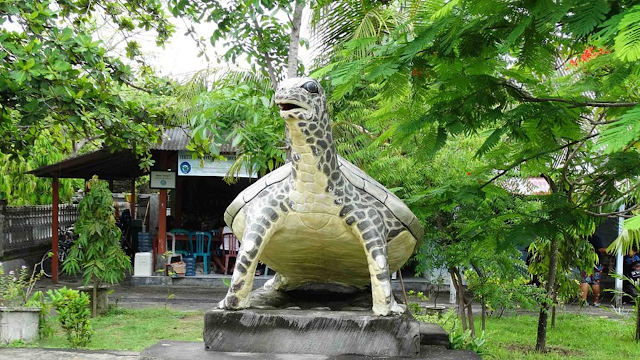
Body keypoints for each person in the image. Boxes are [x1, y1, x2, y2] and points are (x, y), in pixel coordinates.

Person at [580, 234, 607, 307]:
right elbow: (600, 249)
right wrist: (610, 249)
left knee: (584, 281)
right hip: (596, 262)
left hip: (584, 262)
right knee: (595, 282)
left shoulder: (581, 238)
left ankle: (583, 301)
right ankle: (596, 302)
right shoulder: (595, 238)